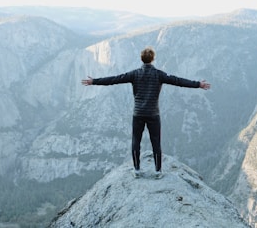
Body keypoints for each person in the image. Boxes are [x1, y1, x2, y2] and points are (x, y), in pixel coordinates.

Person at [81, 47, 210, 179]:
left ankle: (137, 170)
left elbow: (115, 79)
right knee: (156, 142)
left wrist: (94, 81)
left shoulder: (135, 74)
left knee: (136, 141)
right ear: (153, 59)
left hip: (138, 113)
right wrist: (198, 84)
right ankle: (158, 171)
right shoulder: (159, 74)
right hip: (153, 114)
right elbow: (178, 81)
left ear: (141, 59)